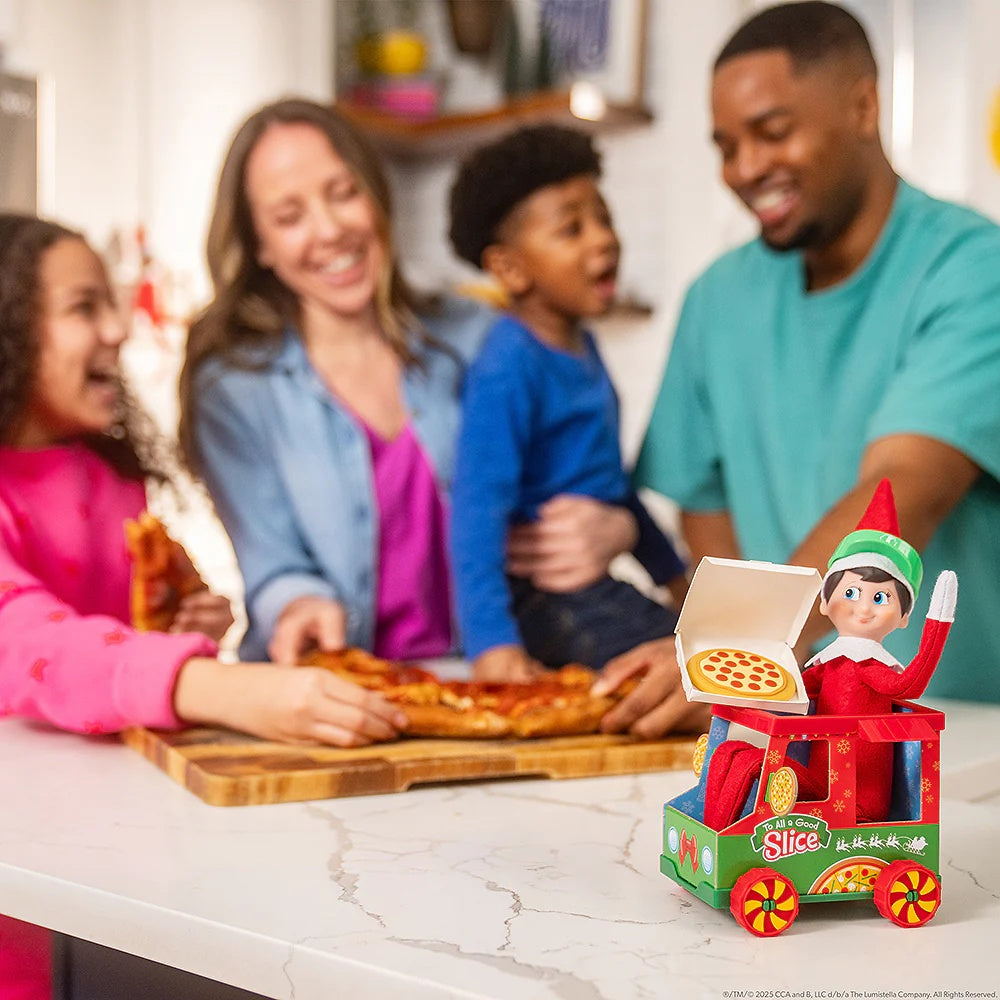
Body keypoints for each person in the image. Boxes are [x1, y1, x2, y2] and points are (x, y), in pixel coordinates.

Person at [0, 214, 407, 998]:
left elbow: (122, 640)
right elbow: (26, 642)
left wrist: (190, 623)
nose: (119, 329)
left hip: (116, 862)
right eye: (85, 308)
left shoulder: (109, 476)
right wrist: (213, 684)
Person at [178, 97, 677, 730]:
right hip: (340, 700)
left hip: (487, 684)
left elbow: (565, 461)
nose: (329, 229)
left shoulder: (476, 336)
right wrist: (297, 605)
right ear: (261, 246)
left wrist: (619, 528)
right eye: (290, 216)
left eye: (343, 193)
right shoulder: (234, 388)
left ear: (376, 197)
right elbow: (272, 565)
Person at [627, 0, 1000, 710]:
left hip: (953, 725)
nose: (745, 168)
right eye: (726, 147)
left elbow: (902, 489)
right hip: (784, 720)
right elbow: (704, 503)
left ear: (863, 107)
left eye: (773, 133)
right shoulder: (715, 298)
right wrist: (739, 666)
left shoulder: (975, 267)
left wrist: (750, 644)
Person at [446, 124, 686, 681]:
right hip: (539, 602)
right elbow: (476, 512)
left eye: (604, 219)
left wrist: (675, 577)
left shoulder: (584, 347)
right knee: (689, 667)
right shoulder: (508, 365)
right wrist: (492, 644)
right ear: (510, 269)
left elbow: (613, 485)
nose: (603, 240)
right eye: (571, 229)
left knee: (698, 652)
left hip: (591, 588)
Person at [701, 479, 957, 828]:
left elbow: (908, 686)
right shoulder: (828, 663)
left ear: (903, 617)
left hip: (855, 799)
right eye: (851, 592)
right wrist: (745, 680)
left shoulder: (870, 667)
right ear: (824, 602)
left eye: (880, 598)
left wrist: (938, 625)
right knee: (732, 752)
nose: (863, 608)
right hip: (821, 784)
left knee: (754, 764)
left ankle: (729, 837)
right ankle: (717, 833)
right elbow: (790, 689)